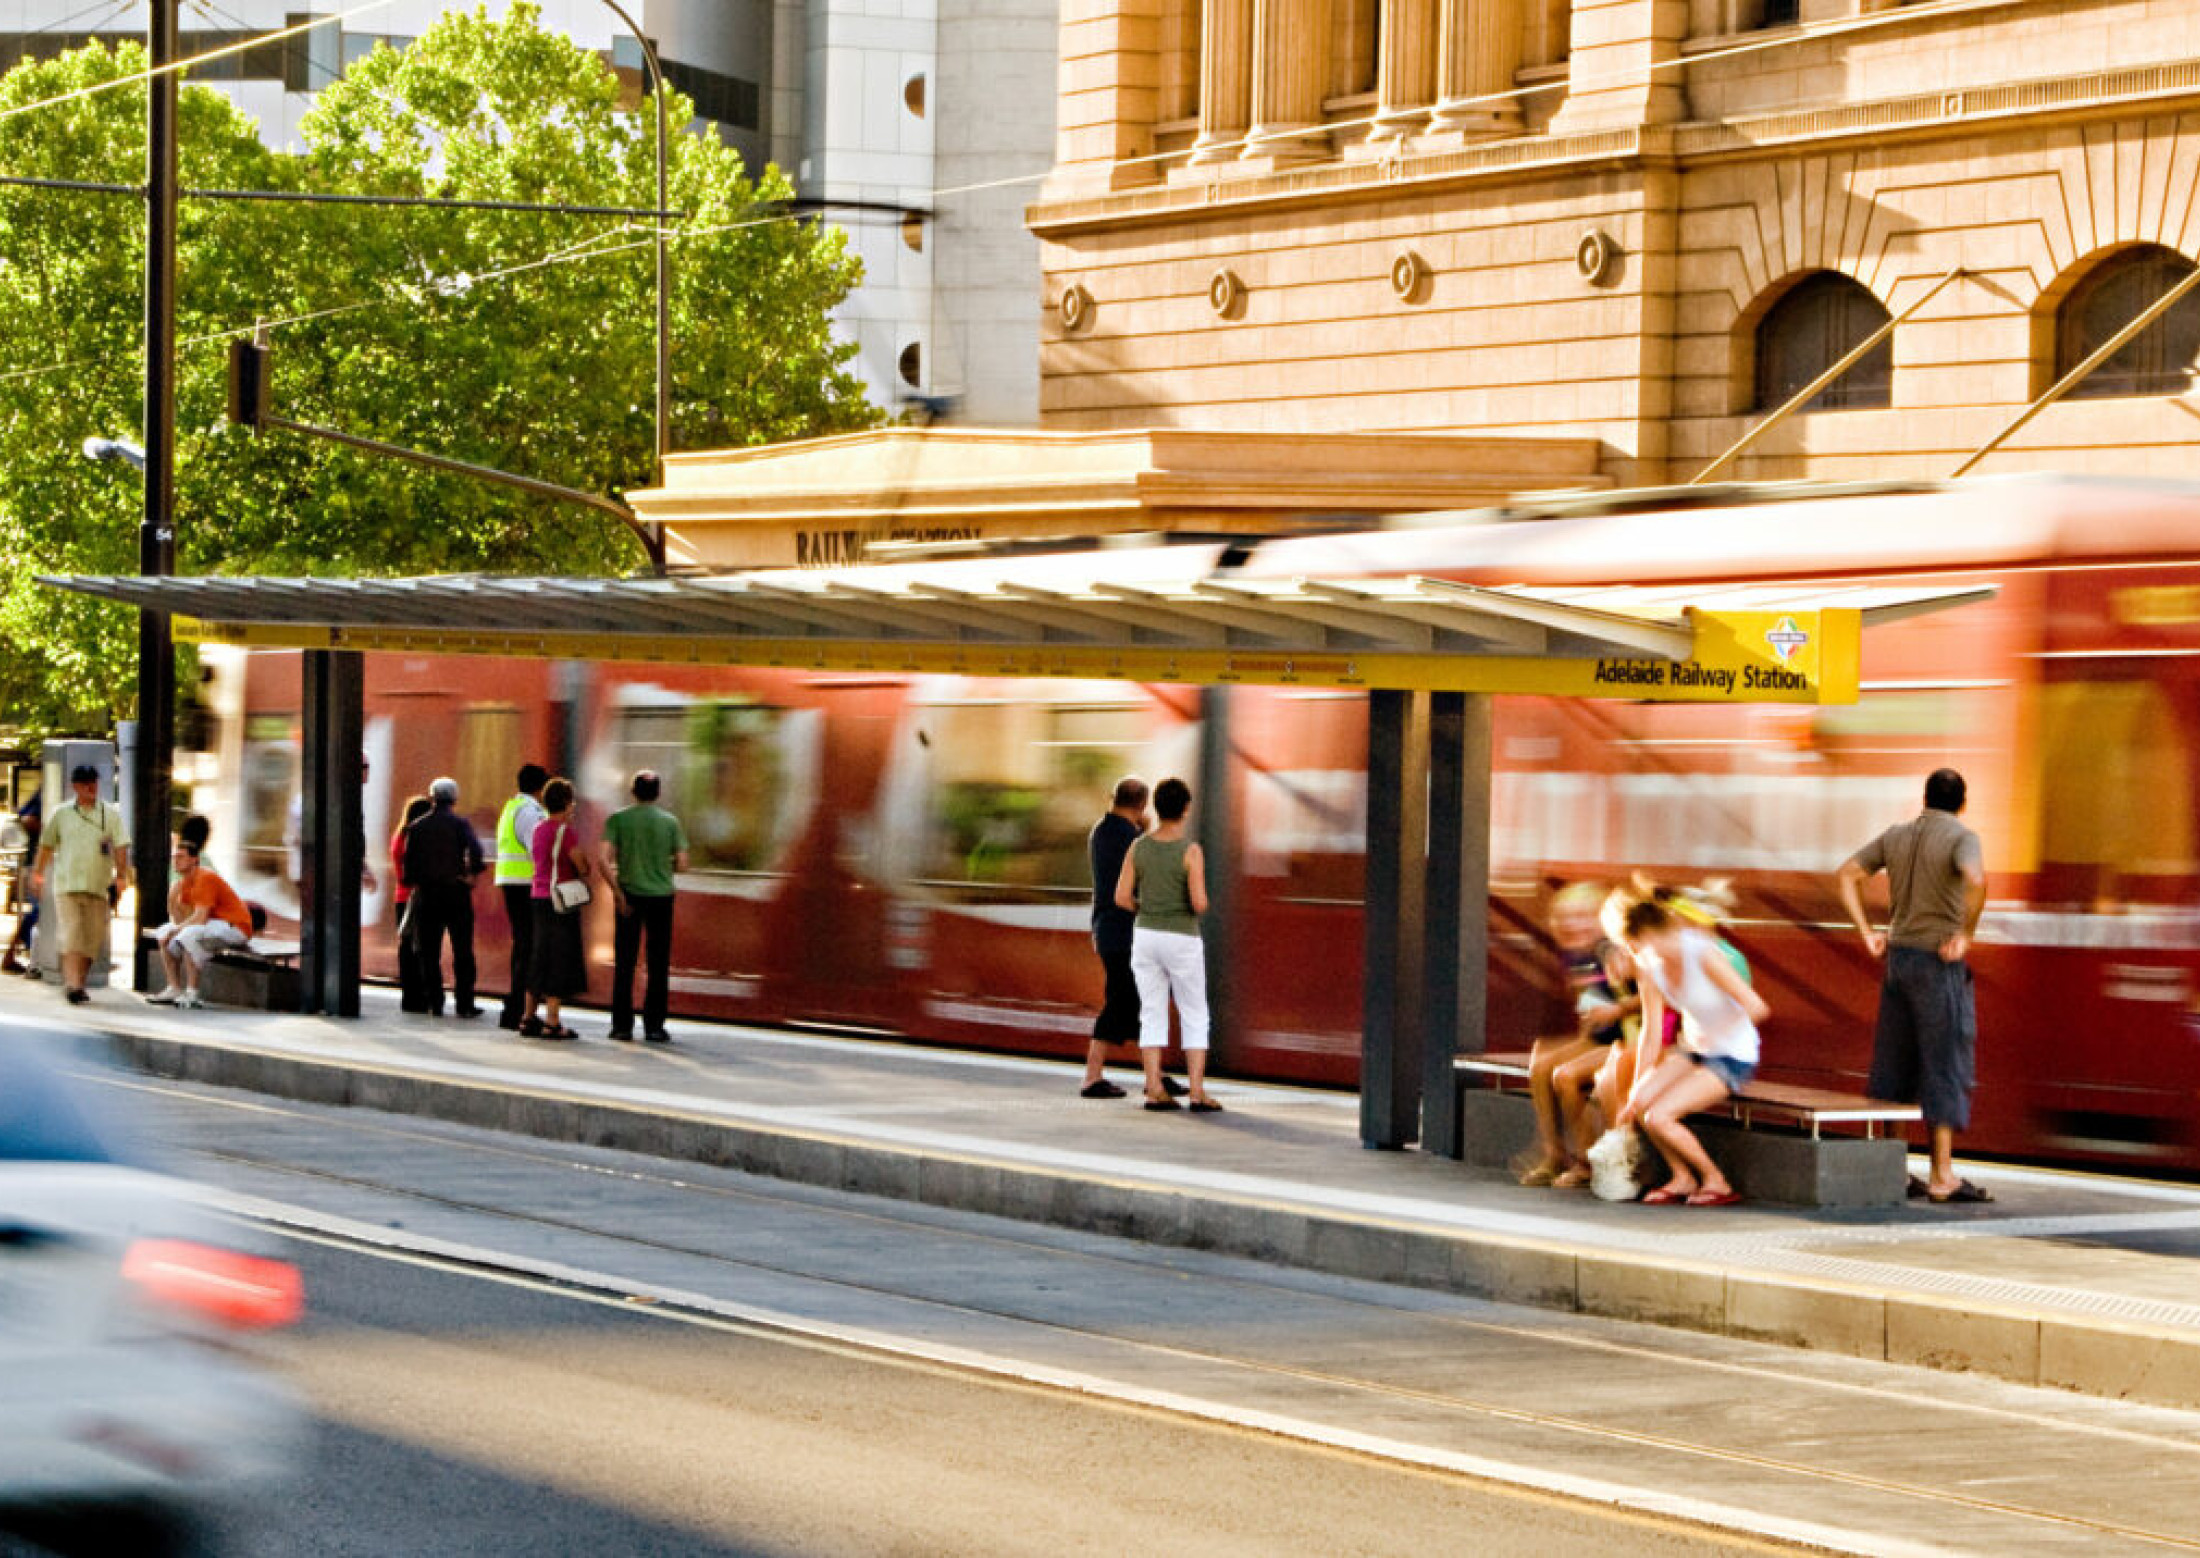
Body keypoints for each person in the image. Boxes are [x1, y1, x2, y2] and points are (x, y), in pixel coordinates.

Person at [1836, 767, 1991, 1204]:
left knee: (1894, 1064)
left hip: (1897, 962)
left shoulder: (1896, 836)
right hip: (1936, 963)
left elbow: (1847, 874)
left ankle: (1895, 1169)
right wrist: (1966, 933)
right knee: (1943, 1062)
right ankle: (1942, 1175)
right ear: (1962, 802)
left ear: (1925, 799)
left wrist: (1867, 931)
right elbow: (1977, 880)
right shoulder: (1963, 838)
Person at [1617, 898, 1770, 1207]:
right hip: (1693, 1049)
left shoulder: (1702, 955)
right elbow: (1651, 1032)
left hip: (1732, 1053)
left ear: (1652, 933)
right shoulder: (1650, 965)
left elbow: (1757, 1007)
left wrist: (1719, 1034)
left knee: (1659, 1117)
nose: (1635, 953)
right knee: (1642, 1104)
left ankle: (1717, 1181)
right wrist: (1638, 1084)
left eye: (1637, 944)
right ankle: (1682, 1177)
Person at [1114, 776, 1221, 1113]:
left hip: (1145, 937)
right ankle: (1197, 1092)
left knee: (1152, 1012)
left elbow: (1120, 897)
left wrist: (1147, 909)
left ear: (1157, 808)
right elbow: (1199, 902)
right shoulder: (1190, 850)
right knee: (1194, 1013)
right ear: (1185, 809)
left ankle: (1154, 1089)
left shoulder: (1138, 847)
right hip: (1181, 938)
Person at [1518, 884, 1631, 1186]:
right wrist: (1581, 1041)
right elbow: (1588, 1010)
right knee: (1542, 1057)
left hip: (1627, 1040)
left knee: (1565, 1075)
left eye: (1583, 916)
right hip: (1602, 1037)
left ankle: (1585, 1160)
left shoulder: (1613, 951)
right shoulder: (1575, 956)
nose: (1573, 924)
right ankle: (1553, 1152)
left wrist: (1615, 1014)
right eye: (1565, 917)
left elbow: (1642, 1005)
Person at [1082, 775, 1182, 1100]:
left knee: (1140, 1003)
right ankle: (1092, 1077)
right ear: (1141, 805)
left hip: (1110, 931)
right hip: (1126, 933)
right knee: (1122, 1003)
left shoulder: (1102, 831)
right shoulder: (1130, 837)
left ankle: (1155, 1075)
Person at [30, 764, 131, 1006]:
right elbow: (46, 844)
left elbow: (121, 846)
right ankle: (74, 985)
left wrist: (121, 876)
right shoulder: (61, 813)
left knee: (92, 941)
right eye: (85, 783)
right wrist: (38, 873)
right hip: (67, 884)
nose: (91, 787)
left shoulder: (109, 814)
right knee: (73, 934)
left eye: (94, 782)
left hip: (97, 885)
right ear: (75, 786)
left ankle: (78, 983)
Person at [599, 769, 687, 1044]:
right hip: (661, 899)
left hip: (629, 896)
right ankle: (654, 1027)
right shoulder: (670, 822)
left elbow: (603, 860)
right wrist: (662, 864)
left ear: (633, 791)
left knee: (625, 962)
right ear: (658, 793)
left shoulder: (618, 820)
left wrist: (616, 892)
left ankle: (622, 1026)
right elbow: (683, 864)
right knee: (658, 964)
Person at [401, 776, 485, 1019]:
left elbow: (408, 869)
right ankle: (465, 1003)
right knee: (463, 951)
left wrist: (419, 880)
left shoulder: (416, 828)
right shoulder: (461, 825)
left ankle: (435, 1002)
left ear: (432, 797)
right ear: (455, 798)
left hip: (427, 895)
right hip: (456, 893)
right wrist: (471, 873)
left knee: (429, 952)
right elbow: (476, 851)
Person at [146, 839, 253, 1009]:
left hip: (235, 927)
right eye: (174, 857)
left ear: (194, 860)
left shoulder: (205, 877)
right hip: (214, 926)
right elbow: (183, 919)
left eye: (181, 857)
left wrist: (177, 930)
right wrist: (172, 899)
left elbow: (200, 918)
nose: (176, 860)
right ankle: (173, 988)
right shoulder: (184, 883)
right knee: (163, 932)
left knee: (190, 934)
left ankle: (192, 993)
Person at [524, 777, 593, 1041]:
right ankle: (552, 1022)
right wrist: (583, 864)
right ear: (566, 803)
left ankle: (528, 1016)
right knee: (558, 958)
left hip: (538, 897)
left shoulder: (538, 829)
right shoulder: (565, 831)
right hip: (560, 900)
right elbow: (581, 864)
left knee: (538, 955)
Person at [494, 764, 550, 1031]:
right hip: (525, 885)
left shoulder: (512, 807)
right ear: (540, 788)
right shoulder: (531, 812)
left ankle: (516, 1007)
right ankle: (517, 1009)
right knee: (528, 947)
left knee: (524, 946)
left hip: (512, 882)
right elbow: (536, 850)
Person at [390, 794, 433, 1013]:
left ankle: (410, 995)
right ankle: (416, 996)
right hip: (414, 898)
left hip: (401, 897)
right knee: (417, 949)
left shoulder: (399, 836)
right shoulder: (413, 838)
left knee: (406, 948)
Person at [3, 784, 42, 975]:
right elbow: (26, 819)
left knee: (38, 911)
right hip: (38, 861)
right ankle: (15, 955)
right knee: (39, 910)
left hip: (41, 860)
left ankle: (13, 955)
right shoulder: (45, 792)